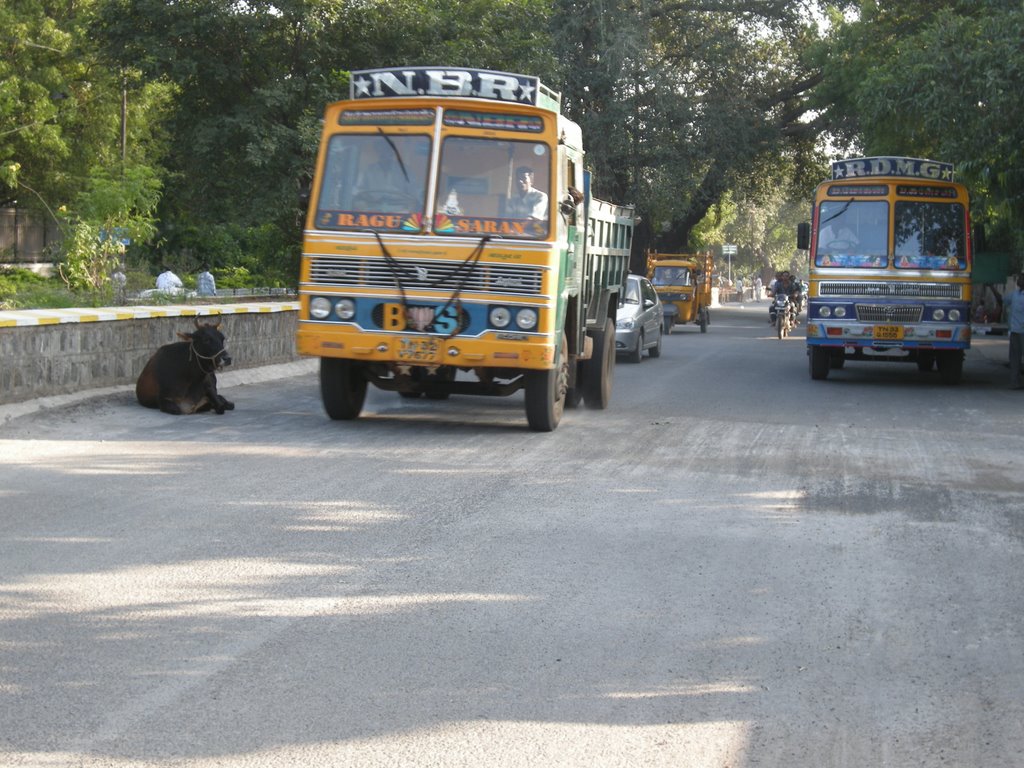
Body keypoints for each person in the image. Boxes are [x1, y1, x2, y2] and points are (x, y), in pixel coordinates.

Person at [1005, 274, 1024, 389]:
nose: (1019, 281)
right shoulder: (1014, 295)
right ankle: (1014, 382)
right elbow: (1003, 299)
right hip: (1015, 331)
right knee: (1014, 358)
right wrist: (991, 288)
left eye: (1022, 279)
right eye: (1019, 279)